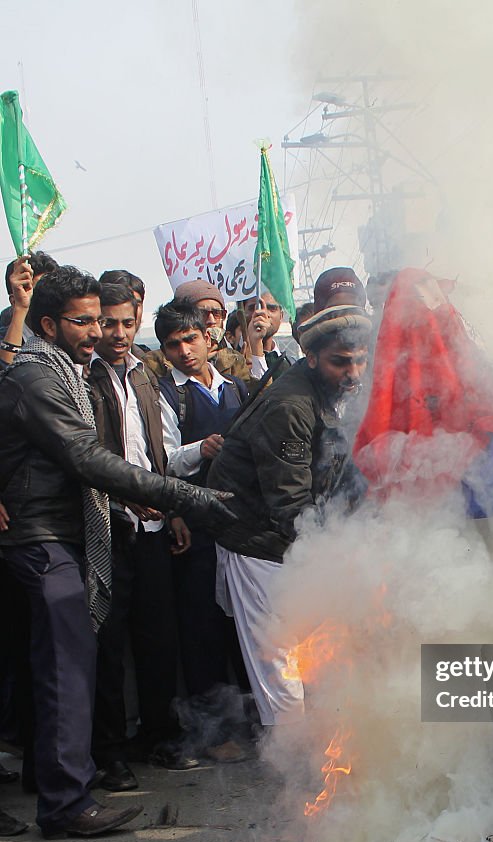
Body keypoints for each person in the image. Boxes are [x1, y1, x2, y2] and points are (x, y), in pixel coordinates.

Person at [0, 266, 235, 837]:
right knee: (65, 666)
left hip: (65, 530)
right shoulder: (37, 379)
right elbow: (88, 459)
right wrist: (186, 495)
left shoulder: (68, 375)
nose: (96, 331)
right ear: (48, 324)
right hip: (39, 534)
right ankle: (67, 803)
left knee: (51, 666)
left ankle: (54, 785)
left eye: (100, 320)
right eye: (82, 321)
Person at [207, 307, 372, 727]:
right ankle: (295, 763)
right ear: (312, 357)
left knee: (323, 651)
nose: (353, 373)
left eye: (359, 360)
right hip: (257, 544)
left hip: (298, 542)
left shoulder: (341, 396)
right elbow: (290, 506)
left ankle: (323, 749)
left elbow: (344, 480)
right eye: (340, 362)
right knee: (279, 662)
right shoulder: (290, 406)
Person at [87, 282, 192, 785]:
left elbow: (154, 455)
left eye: (128, 323)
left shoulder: (143, 377)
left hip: (151, 521)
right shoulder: (82, 377)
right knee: (108, 643)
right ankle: (109, 751)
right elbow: (89, 460)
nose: (119, 333)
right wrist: (127, 498)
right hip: (104, 525)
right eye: (109, 323)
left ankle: (160, 736)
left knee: (158, 637)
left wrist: (170, 510)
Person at [156, 299, 251, 761]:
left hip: (238, 526)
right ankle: (212, 734)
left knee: (243, 623)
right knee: (202, 629)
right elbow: (164, 460)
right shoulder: (165, 394)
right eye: (172, 345)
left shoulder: (236, 389)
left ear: (208, 339)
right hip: (195, 525)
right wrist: (202, 449)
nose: (184, 351)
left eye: (190, 340)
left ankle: (253, 723)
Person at [0, 251, 59, 363]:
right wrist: (20, 308)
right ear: (14, 301)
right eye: (41, 293)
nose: (50, 300)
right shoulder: (4, 342)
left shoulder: (68, 334)